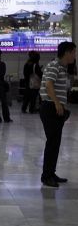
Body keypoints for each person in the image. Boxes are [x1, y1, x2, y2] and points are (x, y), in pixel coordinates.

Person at [39, 41, 76, 188]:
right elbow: (49, 84)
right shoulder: (54, 65)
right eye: (74, 52)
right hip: (50, 107)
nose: (75, 55)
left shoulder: (62, 67)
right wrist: (56, 103)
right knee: (52, 143)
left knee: (55, 143)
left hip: (56, 108)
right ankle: (46, 176)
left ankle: (51, 172)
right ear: (67, 52)